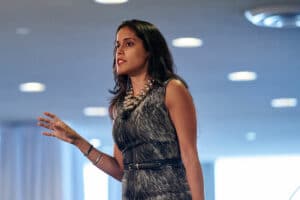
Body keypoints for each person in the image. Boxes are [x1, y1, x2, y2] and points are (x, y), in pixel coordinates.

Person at [37, 19, 205, 200]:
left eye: (129, 44)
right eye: (117, 45)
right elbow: (120, 170)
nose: (120, 51)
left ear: (149, 50)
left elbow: (190, 157)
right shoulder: (120, 106)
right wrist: (77, 141)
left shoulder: (171, 90)